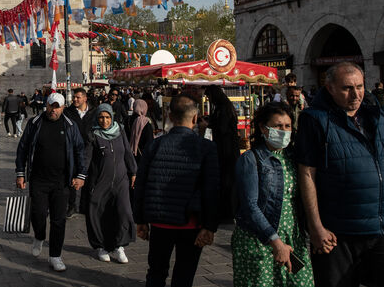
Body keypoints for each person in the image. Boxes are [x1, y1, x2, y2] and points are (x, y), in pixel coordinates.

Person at [296, 62, 384, 287]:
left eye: (359, 86)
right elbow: (307, 173)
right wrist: (316, 226)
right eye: (347, 88)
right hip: (339, 232)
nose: (355, 94)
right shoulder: (315, 119)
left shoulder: (377, 115)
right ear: (329, 88)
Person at [134, 95, 219, 287]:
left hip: (160, 222)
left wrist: (140, 220)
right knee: (184, 274)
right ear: (196, 118)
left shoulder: (155, 145)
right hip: (191, 223)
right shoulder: (206, 147)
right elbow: (211, 189)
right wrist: (210, 226)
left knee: (155, 272)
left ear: (169, 116)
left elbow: (141, 183)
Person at [232, 103, 313, 287]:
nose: (284, 131)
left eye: (287, 126)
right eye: (277, 126)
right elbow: (250, 206)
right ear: (263, 127)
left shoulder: (293, 158)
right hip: (260, 240)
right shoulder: (251, 159)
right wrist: (275, 241)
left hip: (292, 237)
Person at [16, 93, 87, 272]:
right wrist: (20, 173)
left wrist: (80, 175)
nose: (53, 110)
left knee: (59, 220)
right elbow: (23, 148)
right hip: (39, 179)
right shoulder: (35, 123)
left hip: (61, 181)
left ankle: (55, 255)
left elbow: (79, 150)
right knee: (38, 214)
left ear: (63, 107)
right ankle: (39, 235)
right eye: (50, 106)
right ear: (45, 105)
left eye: (57, 107)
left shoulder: (70, 125)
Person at [82, 103, 137, 263]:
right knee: (97, 213)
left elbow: (127, 151)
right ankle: (102, 246)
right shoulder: (93, 135)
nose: (104, 121)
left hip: (121, 180)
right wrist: (81, 176)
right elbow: (87, 158)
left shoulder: (119, 131)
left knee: (124, 211)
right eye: (101, 117)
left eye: (107, 117)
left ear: (112, 117)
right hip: (100, 181)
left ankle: (120, 245)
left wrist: (133, 171)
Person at [204, 85, 240, 223]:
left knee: (227, 181)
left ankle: (227, 211)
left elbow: (223, 129)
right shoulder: (224, 107)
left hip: (227, 150)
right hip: (226, 149)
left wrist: (210, 124)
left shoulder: (223, 109)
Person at [63, 87, 97, 217]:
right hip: (73, 149)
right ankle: (72, 205)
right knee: (73, 175)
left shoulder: (93, 112)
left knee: (89, 177)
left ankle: (86, 204)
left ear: (84, 98)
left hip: (90, 149)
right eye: (74, 97)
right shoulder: (68, 112)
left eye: (78, 97)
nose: (75, 99)